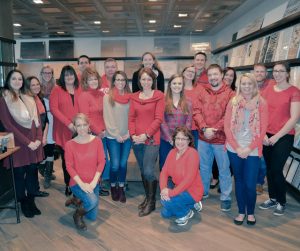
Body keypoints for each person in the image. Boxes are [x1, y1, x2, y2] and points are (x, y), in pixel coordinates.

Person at [224, 73, 268, 225]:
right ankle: (241, 211)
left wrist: (248, 148)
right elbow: (227, 128)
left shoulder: (261, 103)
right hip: (234, 147)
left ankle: (251, 212)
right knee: (240, 181)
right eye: (244, 83)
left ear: (254, 85)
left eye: (250, 84)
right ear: (239, 85)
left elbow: (262, 130)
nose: (247, 86)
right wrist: (237, 148)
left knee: (250, 183)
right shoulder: (233, 102)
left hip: (253, 149)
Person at [0, 70, 44, 218]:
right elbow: (8, 125)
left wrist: (38, 138)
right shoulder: (4, 99)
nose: (17, 81)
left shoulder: (28, 97)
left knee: (32, 172)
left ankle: (31, 200)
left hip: (33, 142)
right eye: (14, 78)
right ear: (8, 80)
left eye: (20, 79)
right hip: (17, 142)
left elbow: (37, 120)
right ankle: (23, 202)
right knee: (19, 174)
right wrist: (28, 142)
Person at [259, 62, 300, 216]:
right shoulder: (267, 89)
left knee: (276, 169)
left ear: (287, 73)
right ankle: (273, 198)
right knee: (269, 170)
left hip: (284, 136)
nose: (277, 74)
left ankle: (282, 201)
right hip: (266, 136)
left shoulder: (294, 91)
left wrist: (276, 136)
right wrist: (263, 134)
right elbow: (261, 112)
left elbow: (294, 117)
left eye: (281, 71)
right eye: (275, 71)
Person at [193, 64, 234, 211]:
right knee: (204, 167)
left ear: (222, 75)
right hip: (204, 138)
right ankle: (203, 192)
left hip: (221, 139)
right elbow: (196, 111)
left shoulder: (231, 94)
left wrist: (214, 130)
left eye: (215, 74)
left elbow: (229, 116)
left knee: (224, 169)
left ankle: (226, 196)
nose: (213, 78)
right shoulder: (202, 92)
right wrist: (204, 128)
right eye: (210, 75)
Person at [129, 68, 164, 217]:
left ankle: (152, 202)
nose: (146, 82)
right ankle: (148, 197)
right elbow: (131, 118)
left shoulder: (159, 96)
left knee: (149, 170)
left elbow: (158, 119)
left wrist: (146, 135)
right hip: (137, 140)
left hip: (151, 139)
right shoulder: (134, 97)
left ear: (153, 81)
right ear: (139, 81)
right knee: (143, 170)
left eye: (149, 79)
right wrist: (133, 135)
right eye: (143, 79)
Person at [65, 113, 105, 231]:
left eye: (84, 125)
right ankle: (77, 214)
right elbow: (69, 167)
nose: (82, 128)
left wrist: (94, 182)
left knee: (92, 217)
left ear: (89, 126)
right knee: (92, 202)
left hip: (93, 182)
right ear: (75, 127)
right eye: (78, 126)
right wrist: (82, 184)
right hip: (77, 183)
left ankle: (77, 200)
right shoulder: (69, 144)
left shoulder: (97, 141)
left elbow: (101, 162)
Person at [160, 126, 203, 226]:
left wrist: (171, 193)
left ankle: (185, 213)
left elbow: (189, 179)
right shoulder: (172, 152)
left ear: (189, 141)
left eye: (183, 139)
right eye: (178, 138)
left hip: (193, 191)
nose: (180, 142)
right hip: (180, 189)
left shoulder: (193, 154)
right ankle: (190, 205)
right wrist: (163, 189)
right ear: (174, 139)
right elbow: (164, 172)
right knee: (165, 213)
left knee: (166, 202)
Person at [50, 65, 82, 196]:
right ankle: (68, 184)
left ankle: (78, 184)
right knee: (67, 160)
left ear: (75, 76)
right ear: (63, 77)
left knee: (79, 160)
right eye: (66, 75)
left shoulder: (80, 89)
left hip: (80, 130)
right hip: (64, 130)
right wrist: (69, 124)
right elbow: (54, 109)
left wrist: (81, 125)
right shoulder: (57, 90)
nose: (69, 77)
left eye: (71, 74)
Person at [78, 67, 110, 197]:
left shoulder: (102, 95)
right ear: (85, 81)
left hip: (106, 132)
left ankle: (100, 183)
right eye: (90, 79)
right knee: (98, 160)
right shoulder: (83, 96)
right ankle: (95, 185)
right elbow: (86, 117)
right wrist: (98, 132)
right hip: (93, 134)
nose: (93, 81)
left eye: (95, 78)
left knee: (104, 160)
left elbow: (108, 113)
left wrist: (107, 130)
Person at [103, 71, 132, 202]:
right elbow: (108, 118)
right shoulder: (107, 97)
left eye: (123, 80)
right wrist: (116, 134)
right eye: (118, 80)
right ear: (113, 81)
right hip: (112, 137)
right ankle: (113, 186)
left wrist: (129, 132)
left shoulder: (130, 97)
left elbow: (133, 117)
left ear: (126, 82)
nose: (120, 82)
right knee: (114, 165)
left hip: (127, 136)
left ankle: (121, 187)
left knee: (123, 164)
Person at [210, 66, 237, 190]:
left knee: (226, 161)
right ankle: (216, 178)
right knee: (216, 160)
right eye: (227, 75)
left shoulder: (235, 92)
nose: (228, 77)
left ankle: (224, 183)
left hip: (229, 132)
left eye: (231, 76)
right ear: (222, 75)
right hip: (215, 131)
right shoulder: (212, 90)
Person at [25, 76, 53, 191]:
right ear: (27, 87)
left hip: (41, 134)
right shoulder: (26, 100)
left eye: (37, 84)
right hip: (31, 137)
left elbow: (45, 119)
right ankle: (33, 190)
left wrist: (44, 136)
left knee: (42, 158)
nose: (36, 87)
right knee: (33, 164)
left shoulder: (39, 98)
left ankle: (37, 187)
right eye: (33, 85)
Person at [159, 74, 192, 169]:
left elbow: (189, 122)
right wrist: (170, 139)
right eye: (174, 83)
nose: (177, 86)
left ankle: (179, 184)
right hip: (166, 139)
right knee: (164, 165)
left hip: (182, 140)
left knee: (180, 166)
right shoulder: (163, 101)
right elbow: (161, 121)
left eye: (179, 83)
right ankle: (164, 184)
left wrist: (182, 137)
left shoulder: (188, 102)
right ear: (170, 85)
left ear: (183, 85)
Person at [253, 63, 275, 195]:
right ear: (253, 72)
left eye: (262, 72)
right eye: (257, 71)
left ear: (266, 73)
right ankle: (254, 180)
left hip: (269, 127)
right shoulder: (249, 85)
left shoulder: (272, 85)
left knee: (263, 160)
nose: (259, 74)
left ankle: (259, 182)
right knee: (256, 158)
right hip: (252, 127)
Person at [39, 66, 56, 188]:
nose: (47, 74)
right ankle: (42, 169)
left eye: (49, 73)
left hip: (54, 118)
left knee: (51, 146)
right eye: (45, 72)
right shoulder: (37, 88)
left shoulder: (56, 87)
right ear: (41, 74)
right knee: (42, 146)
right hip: (42, 119)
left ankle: (48, 174)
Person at [182, 65, 200, 150]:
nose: (190, 73)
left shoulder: (199, 89)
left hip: (195, 128)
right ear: (183, 73)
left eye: (192, 72)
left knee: (194, 152)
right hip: (181, 127)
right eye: (188, 71)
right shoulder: (178, 88)